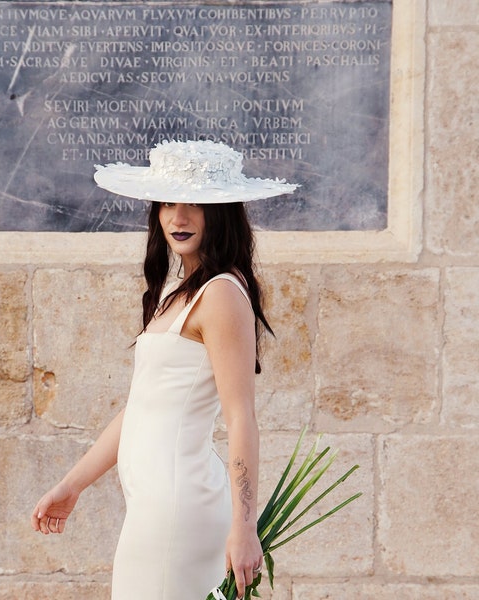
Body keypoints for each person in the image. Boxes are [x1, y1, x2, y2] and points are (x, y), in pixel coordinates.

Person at [31, 140, 297, 600]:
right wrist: (71, 486)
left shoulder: (221, 295)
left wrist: (244, 526)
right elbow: (141, 408)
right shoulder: (178, 291)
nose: (179, 217)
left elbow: (241, 418)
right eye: (169, 202)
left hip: (177, 508)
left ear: (222, 211)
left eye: (195, 203)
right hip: (154, 504)